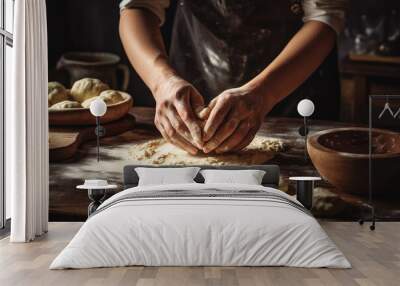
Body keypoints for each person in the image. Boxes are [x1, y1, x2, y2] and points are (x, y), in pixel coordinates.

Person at [119, 0, 347, 155]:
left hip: (293, 87)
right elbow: (139, 6)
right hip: (195, 75)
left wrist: (264, 93)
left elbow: (324, 16)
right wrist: (162, 83)